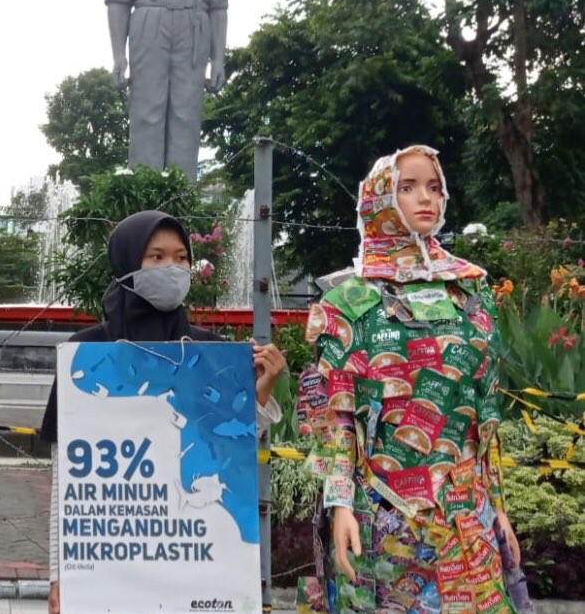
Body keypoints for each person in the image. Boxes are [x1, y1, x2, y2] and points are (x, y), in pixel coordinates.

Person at [296, 145, 527, 612]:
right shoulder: (350, 300)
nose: (427, 198)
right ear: (380, 198)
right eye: (408, 187)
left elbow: (485, 410)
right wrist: (339, 504)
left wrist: (498, 506)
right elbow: (336, 417)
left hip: (467, 511)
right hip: (385, 510)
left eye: (434, 187)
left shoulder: (471, 292)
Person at [39, 210, 287, 613]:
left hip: (193, 557)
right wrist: (58, 575)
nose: (172, 268)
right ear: (127, 262)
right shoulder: (88, 354)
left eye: (181, 257)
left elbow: (229, 450)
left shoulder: (209, 350)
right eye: (156, 257)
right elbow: (65, 478)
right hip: (111, 563)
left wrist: (260, 393)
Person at [105, 0, 229, 177]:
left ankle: (181, 202)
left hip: (195, 27)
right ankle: (146, 199)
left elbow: (219, 4)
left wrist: (218, 58)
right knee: (146, 113)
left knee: (187, 117)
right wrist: (118, 55)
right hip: (147, 22)